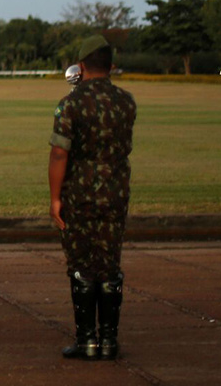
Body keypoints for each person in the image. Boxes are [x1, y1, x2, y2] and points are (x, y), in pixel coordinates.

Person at [48, 35, 137, 361]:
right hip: (115, 192)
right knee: (109, 264)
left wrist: (55, 198)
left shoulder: (71, 102)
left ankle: (87, 340)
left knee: (82, 266)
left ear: (82, 65)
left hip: (79, 193)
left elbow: (60, 153)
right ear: (111, 66)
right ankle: (110, 341)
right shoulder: (126, 101)